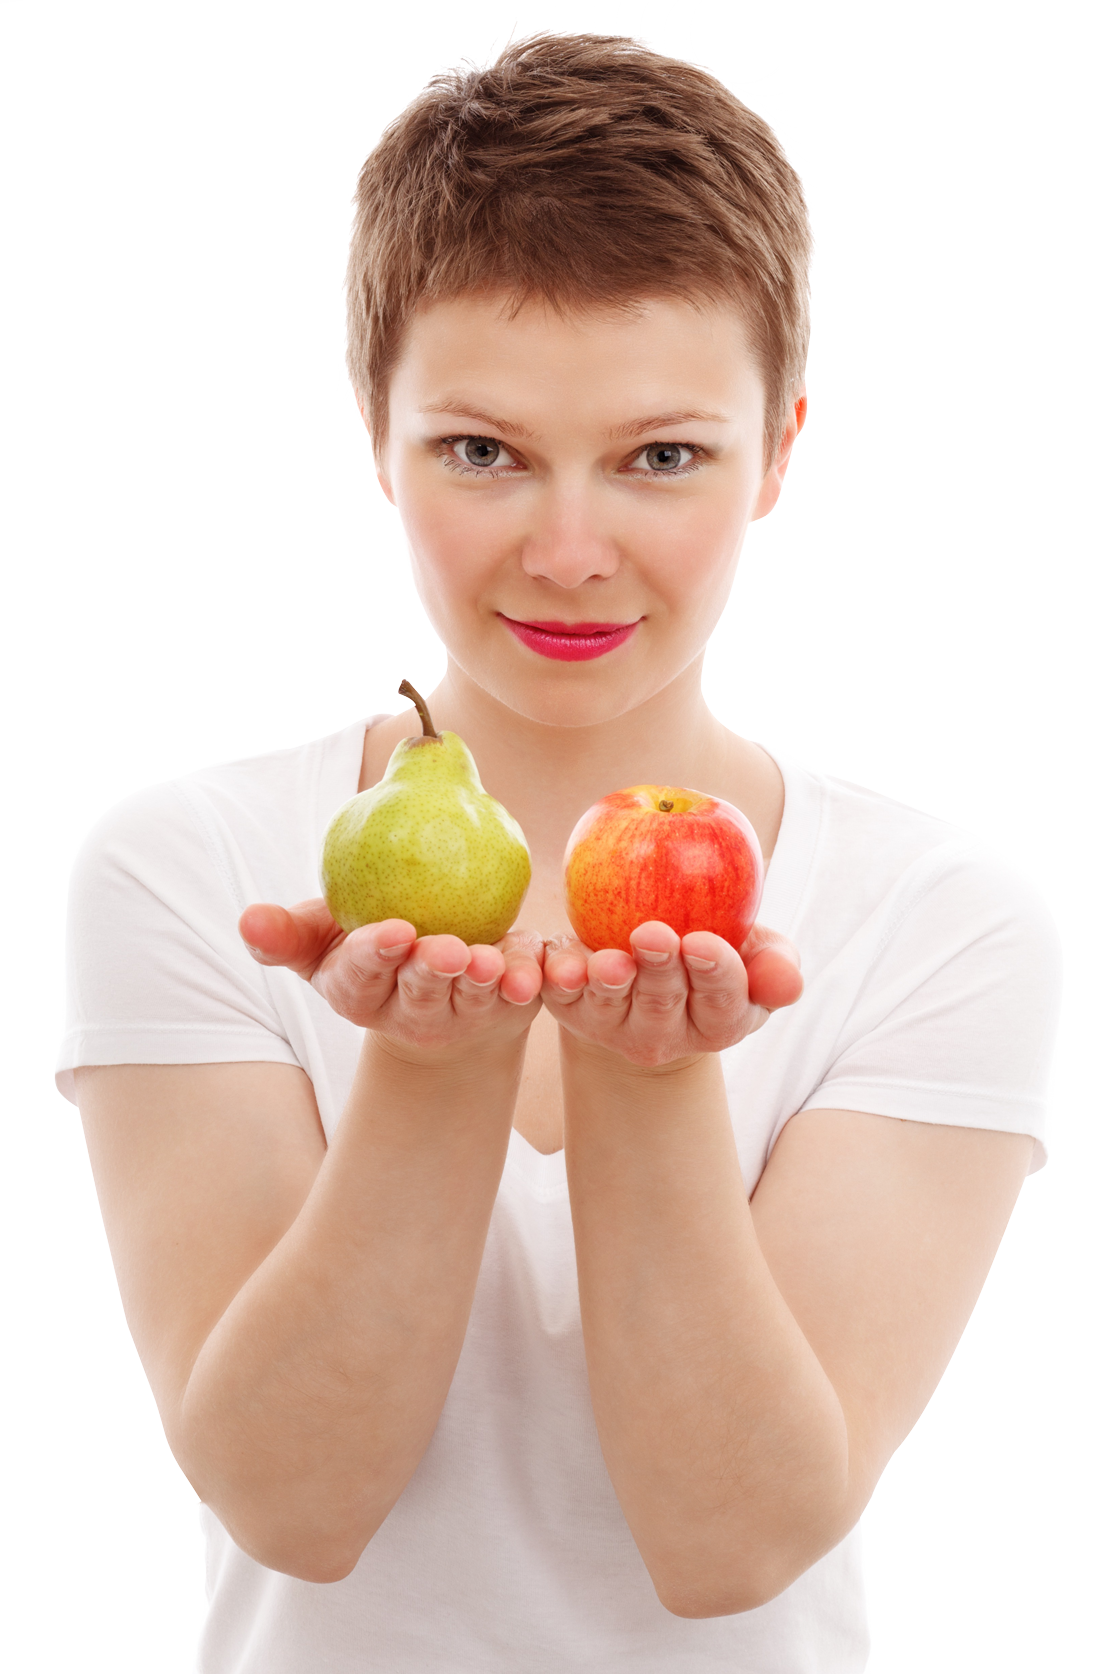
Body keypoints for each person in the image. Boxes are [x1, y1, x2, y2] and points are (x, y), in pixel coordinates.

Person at [59, 29, 1060, 1674]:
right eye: (483, 451)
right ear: (374, 433)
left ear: (783, 451)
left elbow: (729, 1543)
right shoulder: (190, 867)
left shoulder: (940, 920)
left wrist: (653, 1080)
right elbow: (289, 1504)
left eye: (663, 455)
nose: (571, 550)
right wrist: (432, 1075)